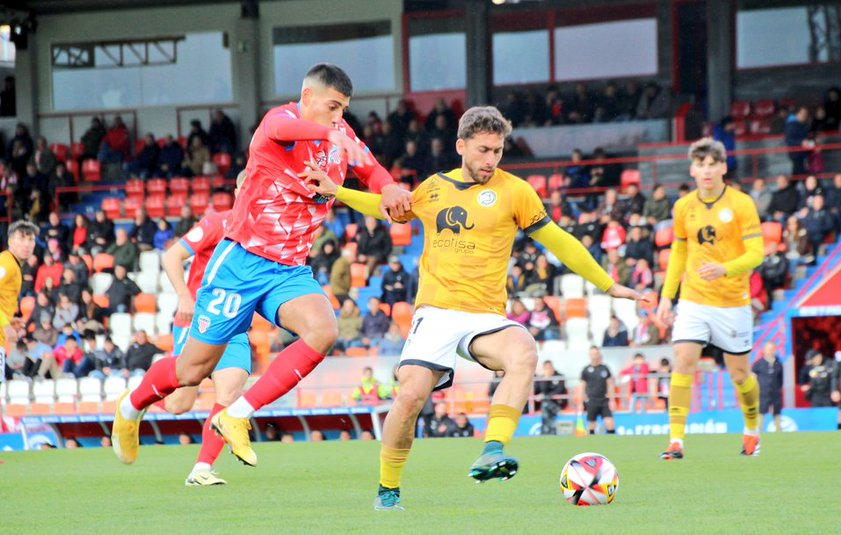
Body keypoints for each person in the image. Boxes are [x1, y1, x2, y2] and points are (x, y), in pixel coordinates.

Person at [304, 105, 645, 510]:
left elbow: (560, 241)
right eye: (483, 150)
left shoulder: (516, 192)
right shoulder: (433, 189)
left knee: (524, 351)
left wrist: (607, 284)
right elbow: (385, 208)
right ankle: (388, 490)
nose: (491, 160)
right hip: (436, 313)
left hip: (485, 317)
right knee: (411, 396)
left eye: (498, 151)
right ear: (461, 145)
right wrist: (334, 190)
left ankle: (493, 450)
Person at [112, 64, 410, 468]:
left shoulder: (342, 136)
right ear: (308, 98)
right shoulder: (281, 122)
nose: (340, 117)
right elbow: (277, 130)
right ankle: (130, 409)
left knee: (324, 330)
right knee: (189, 371)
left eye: (344, 110)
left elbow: (370, 168)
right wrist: (331, 133)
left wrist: (388, 185)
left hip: (288, 270)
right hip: (241, 264)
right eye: (333, 107)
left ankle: (236, 415)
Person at [656, 137, 764, 460]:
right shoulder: (682, 206)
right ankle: (676, 441)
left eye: (712, 164)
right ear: (692, 169)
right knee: (683, 361)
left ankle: (751, 429)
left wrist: (725, 268)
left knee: (740, 375)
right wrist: (667, 296)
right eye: (700, 164)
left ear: (723, 167)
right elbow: (678, 251)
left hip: (733, 302)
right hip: (693, 299)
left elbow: (758, 253)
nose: (706, 170)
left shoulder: (742, 204)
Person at [157, 202, 252, 485]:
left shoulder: (269, 234)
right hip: (200, 319)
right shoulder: (217, 223)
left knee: (231, 392)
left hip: (235, 322)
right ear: (241, 192)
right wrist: (184, 295)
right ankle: (140, 396)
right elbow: (172, 256)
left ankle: (201, 468)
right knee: (179, 404)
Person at [0, 222, 39, 386]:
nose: (27, 244)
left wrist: (9, 320)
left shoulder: (13, 265)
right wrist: (5, 325)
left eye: (30, 239)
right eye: (21, 238)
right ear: (10, 241)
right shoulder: (6, 263)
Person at [579, 346, 615, 435]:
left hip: (604, 400)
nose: (594, 356)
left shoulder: (605, 368)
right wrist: (580, 402)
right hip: (591, 400)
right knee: (591, 424)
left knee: (609, 422)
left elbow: (610, 384)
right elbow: (582, 386)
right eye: (592, 354)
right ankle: (591, 445)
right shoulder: (586, 370)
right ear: (589, 355)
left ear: (599, 354)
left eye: (596, 353)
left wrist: (612, 400)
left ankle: (613, 444)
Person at [751, 341, 784, 432]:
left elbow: (781, 379)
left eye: (772, 349)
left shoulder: (779, 364)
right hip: (762, 393)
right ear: (764, 351)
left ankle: (779, 432)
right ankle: (757, 433)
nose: (770, 351)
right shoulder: (758, 364)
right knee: (761, 412)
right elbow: (753, 378)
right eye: (768, 349)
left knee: (777, 413)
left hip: (775, 393)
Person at [534, 360, 567, 435]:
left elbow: (560, 390)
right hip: (546, 405)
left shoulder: (559, 376)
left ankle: (545, 431)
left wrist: (545, 396)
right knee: (546, 406)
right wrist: (546, 379)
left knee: (545, 405)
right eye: (546, 368)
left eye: (550, 367)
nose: (549, 369)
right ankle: (551, 430)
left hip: (558, 403)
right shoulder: (542, 378)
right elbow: (539, 390)